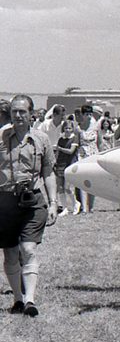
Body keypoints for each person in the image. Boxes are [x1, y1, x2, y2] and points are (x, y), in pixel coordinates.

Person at [1, 95, 58, 317]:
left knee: (28, 248)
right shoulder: (1, 137)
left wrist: (53, 203)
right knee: (10, 252)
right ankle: (17, 298)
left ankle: (30, 301)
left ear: (31, 114)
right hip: (5, 200)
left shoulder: (41, 140)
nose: (18, 116)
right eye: (14, 111)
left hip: (33, 199)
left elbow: (49, 172)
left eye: (22, 111)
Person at [54, 118, 81, 215]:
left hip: (70, 164)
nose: (67, 130)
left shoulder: (74, 138)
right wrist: (55, 161)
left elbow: (71, 151)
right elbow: (57, 152)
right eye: (66, 128)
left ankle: (75, 203)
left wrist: (60, 148)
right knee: (60, 187)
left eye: (69, 128)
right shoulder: (61, 139)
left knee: (67, 187)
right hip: (60, 164)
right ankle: (65, 208)